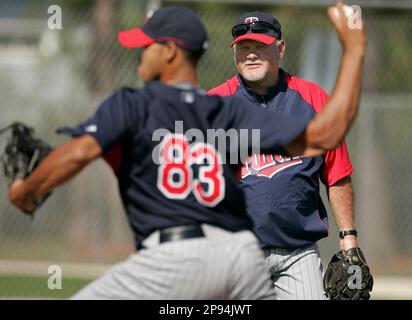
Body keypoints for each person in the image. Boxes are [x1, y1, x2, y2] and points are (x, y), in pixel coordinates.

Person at [8, 3, 365, 299]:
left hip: (176, 258)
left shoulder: (133, 105)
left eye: (145, 46)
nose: (139, 54)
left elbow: (76, 154)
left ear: (169, 51)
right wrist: (353, 51)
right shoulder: (226, 110)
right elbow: (329, 130)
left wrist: (26, 191)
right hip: (240, 259)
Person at [208, 6, 365, 299]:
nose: (251, 54)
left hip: (299, 253)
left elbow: (337, 174)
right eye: (243, 47)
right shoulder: (215, 104)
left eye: (260, 46)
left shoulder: (312, 97)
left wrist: (349, 240)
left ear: (280, 49)